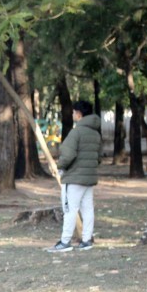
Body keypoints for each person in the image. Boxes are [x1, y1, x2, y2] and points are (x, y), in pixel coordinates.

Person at [47, 99, 101, 252]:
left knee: (70, 210)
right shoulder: (96, 134)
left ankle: (65, 242)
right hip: (89, 178)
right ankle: (86, 240)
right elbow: (98, 158)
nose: (72, 115)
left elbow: (68, 155)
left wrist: (59, 167)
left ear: (78, 114)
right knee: (87, 209)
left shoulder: (76, 132)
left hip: (74, 178)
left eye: (73, 112)